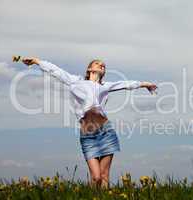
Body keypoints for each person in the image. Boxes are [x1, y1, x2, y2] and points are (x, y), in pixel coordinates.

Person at [21, 57, 157, 188]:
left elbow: (126, 84)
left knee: (104, 176)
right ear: (89, 69)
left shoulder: (105, 86)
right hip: (88, 137)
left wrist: (145, 84)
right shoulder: (76, 81)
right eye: (98, 63)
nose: (102, 65)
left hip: (106, 133)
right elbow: (56, 71)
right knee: (96, 178)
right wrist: (37, 61)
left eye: (104, 65)